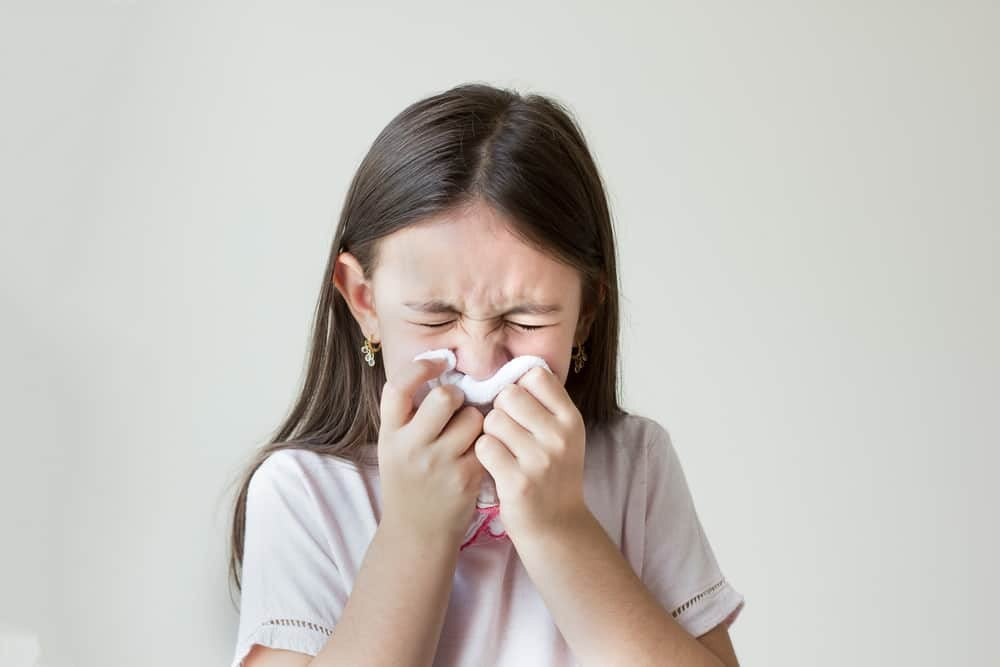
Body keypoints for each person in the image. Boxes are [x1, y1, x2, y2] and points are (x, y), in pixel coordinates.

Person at [226, 82, 745, 667]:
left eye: (525, 320)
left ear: (585, 315)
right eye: (436, 315)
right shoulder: (303, 492)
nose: (477, 361)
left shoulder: (636, 466)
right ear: (364, 301)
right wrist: (414, 537)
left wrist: (559, 527)